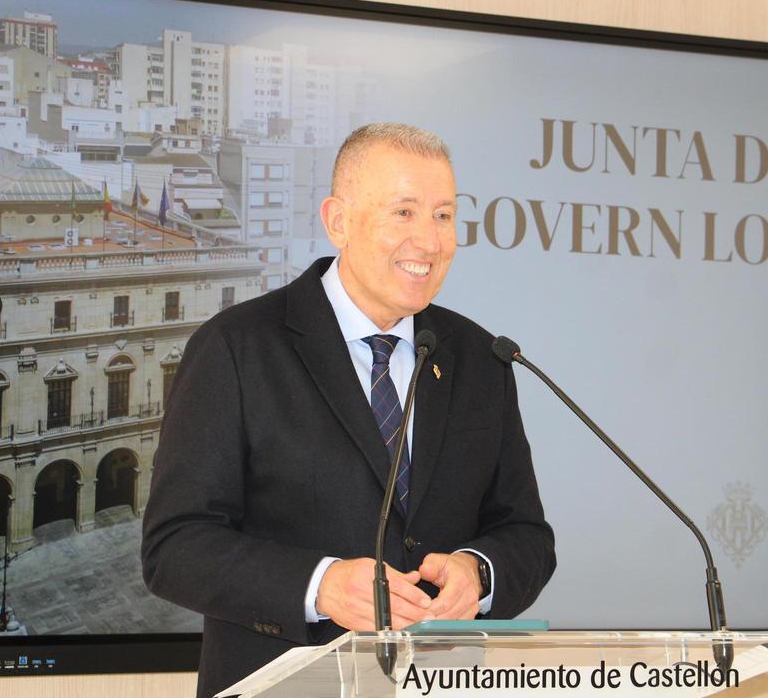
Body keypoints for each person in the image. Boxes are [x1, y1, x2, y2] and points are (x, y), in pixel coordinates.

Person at [142, 123, 556, 698]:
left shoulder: (482, 359)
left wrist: (478, 574)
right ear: (338, 220)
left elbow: (526, 534)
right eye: (404, 213)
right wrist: (322, 585)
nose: (431, 241)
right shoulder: (238, 347)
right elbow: (175, 547)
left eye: (443, 215)